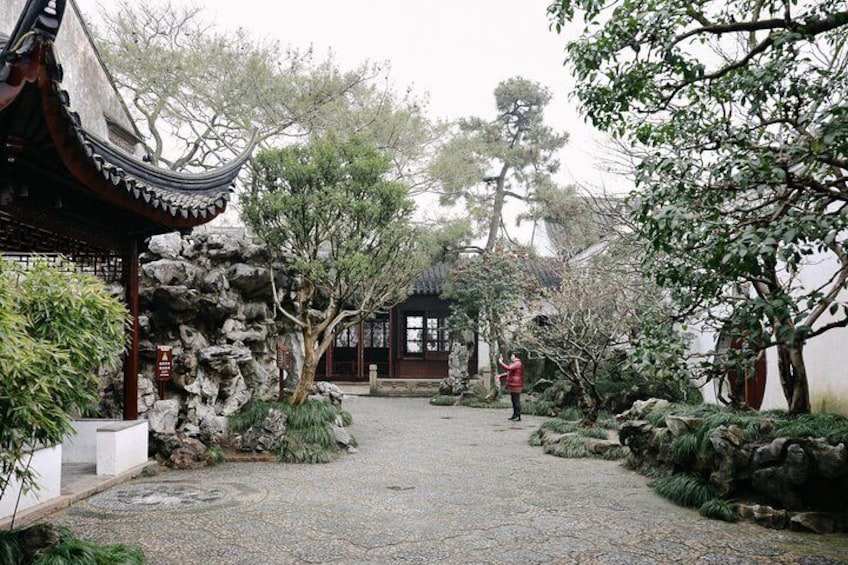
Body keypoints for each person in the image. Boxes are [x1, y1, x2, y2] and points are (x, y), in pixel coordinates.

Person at [498, 352, 523, 421]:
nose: (511, 357)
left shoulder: (517, 363)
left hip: (516, 384)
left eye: (512, 356)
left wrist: (501, 362)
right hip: (513, 384)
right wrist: (501, 375)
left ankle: (518, 416)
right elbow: (509, 373)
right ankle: (515, 415)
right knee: (514, 400)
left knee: (516, 400)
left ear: (516, 357)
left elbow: (508, 368)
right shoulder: (515, 364)